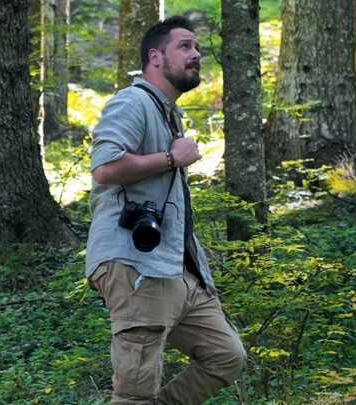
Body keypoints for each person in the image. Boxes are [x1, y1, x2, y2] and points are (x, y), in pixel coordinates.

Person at [85, 15, 246, 404]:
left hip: (174, 267)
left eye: (198, 48)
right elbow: (105, 168)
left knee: (227, 356)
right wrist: (172, 159)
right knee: (135, 391)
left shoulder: (167, 112)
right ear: (155, 57)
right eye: (185, 46)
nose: (197, 54)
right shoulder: (132, 100)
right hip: (136, 265)